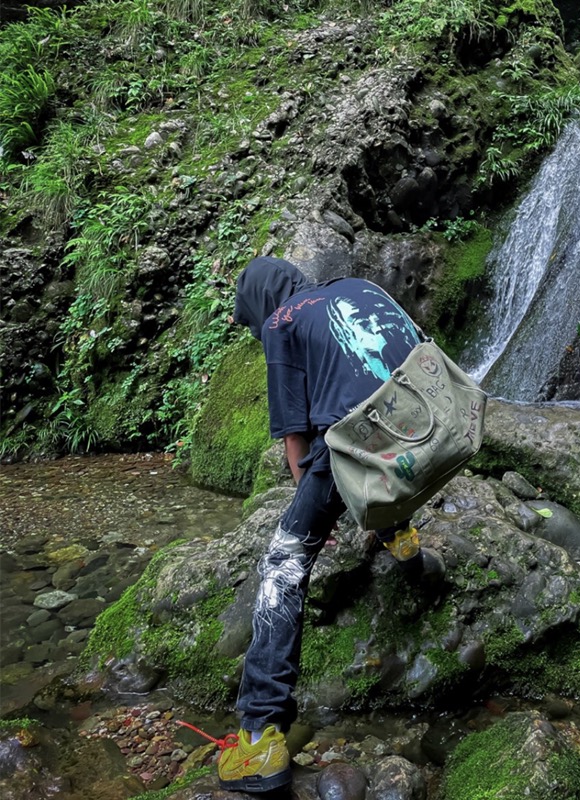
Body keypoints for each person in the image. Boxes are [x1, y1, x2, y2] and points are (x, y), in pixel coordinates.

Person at [218, 256, 443, 794]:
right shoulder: (359, 286)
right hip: (431, 430)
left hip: (366, 436)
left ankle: (260, 739)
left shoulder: (282, 321)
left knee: (284, 562)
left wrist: (312, 511)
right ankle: (404, 544)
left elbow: (296, 441)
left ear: (260, 302)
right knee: (368, 437)